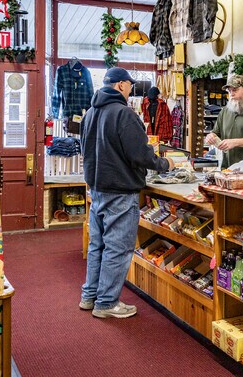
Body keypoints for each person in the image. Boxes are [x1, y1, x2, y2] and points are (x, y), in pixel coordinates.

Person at [79, 67, 174, 319]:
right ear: (121, 85)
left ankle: (90, 296)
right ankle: (107, 302)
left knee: (97, 245)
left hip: (97, 189)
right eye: (130, 85)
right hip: (121, 191)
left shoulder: (90, 114)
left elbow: (84, 151)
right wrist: (165, 164)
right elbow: (140, 154)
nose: (131, 90)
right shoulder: (124, 114)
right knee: (118, 248)